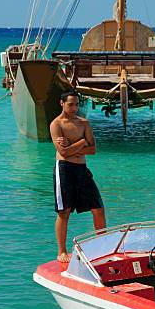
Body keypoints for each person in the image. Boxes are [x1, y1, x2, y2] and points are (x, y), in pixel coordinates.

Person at [50, 91, 105, 263]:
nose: (74, 108)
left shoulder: (84, 123)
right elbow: (64, 153)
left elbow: (93, 149)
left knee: (98, 209)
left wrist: (77, 144)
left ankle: (103, 246)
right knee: (64, 211)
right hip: (64, 169)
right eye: (70, 104)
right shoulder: (56, 124)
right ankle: (61, 251)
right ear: (62, 103)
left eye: (76, 104)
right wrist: (82, 142)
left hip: (82, 169)